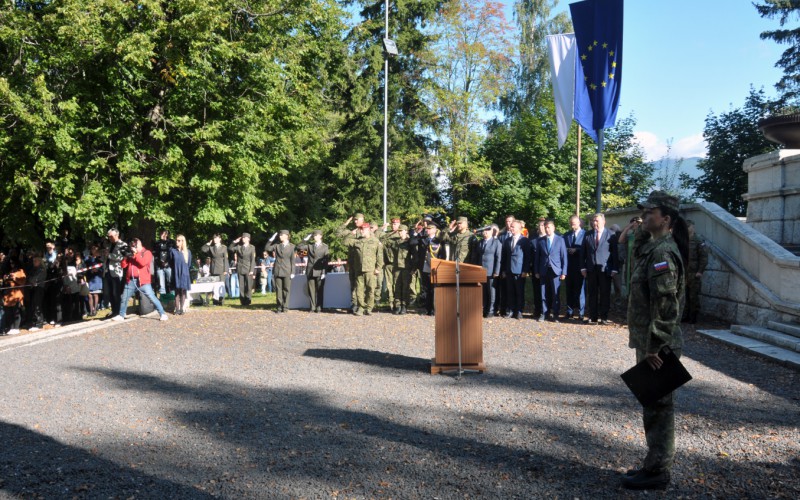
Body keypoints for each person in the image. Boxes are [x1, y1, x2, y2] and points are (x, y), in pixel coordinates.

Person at [621, 190, 688, 491]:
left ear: (666, 218)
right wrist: (641, 236)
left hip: (657, 345)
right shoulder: (653, 246)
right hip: (651, 341)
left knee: (659, 406)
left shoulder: (663, 254)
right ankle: (653, 462)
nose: (644, 216)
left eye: (651, 212)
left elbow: (666, 304)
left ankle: (658, 470)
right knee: (652, 403)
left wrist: (654, 345)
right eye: (644, 212)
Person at [112, 238, 168, 322]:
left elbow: (142, 263)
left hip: (143, 282)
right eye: (131, 245)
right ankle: (121, 315)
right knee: (124, 298)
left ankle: (162, 313)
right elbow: (123, 265)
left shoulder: (147, 253)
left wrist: (135, 254)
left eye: (134, 245)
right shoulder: (132, 254)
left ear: (139, 244)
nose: (132, 247)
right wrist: (125, 256)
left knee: (152, 297)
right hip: (130, 281)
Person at [581, 213, 619, 325]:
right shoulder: (587, 234)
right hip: (591, 268)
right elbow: (583, 252)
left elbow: (614, 253)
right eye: (593, 221)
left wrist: (615, 269)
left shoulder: (611, 234)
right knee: (592, 293)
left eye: (597, 220)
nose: (594, 223)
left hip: (605, 269)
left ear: (604, 222)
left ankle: (604, 317)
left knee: (605, 293)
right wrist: (582, 267)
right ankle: (592, 317)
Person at [343, 223, 382, 316]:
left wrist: (378, 268)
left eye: (363, 229)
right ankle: (361, 307)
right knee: (359, 290)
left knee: (370, 290)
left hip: (370, 270)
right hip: (359, 269)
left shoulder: (375, 241)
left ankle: (369, 308)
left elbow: (380, 256)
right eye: (360, 229)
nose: (361, 231)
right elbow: (344, 242)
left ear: (368, 230)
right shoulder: (357, 241)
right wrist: (351, 233)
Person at [533, 219, 568, 322]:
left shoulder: (560, 240)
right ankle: (544, 313)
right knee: (543, 293)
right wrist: (536, 271)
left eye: (549, 227)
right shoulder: (540, 241)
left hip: (555, 271)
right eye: (545, 227)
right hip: (543, 270)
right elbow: (537, 258)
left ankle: (556, 314)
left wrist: (564, 272)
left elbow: (564, 257)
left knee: (555, 293)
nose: (547, 229)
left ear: (553, 228)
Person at [411, 222, 445, 316]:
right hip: (424, 267)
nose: (427, 230)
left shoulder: (438, 241)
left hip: (434, 268)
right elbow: (412, 242)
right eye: (427, 229)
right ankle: (426, 308)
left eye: (429, 229)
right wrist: (416, 233)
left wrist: (440, 267)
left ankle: (434, 309)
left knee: (434, 289)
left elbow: (442, 255)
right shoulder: (422, 239)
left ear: (434, 230)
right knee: (425, 289)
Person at [500, 220, 530, 319]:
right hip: (509, 270)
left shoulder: (524, 241)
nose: (511, 228)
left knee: (519, 292)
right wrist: (504, 270)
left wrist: (525, 270)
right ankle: (511, 310)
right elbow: (504, 257)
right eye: (511, 226)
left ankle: (519, 311)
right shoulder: (507, 240)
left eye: (513, 227)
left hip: (519, 270)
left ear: (519, 228)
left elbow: (527, 257)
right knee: (510, 291)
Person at [384, 224, 414, 314]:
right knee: (397, 286)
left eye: (401, 231)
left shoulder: (410, 242)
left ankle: (404, 305)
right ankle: (397, 305)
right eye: (399, 231)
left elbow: (415, 255)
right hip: (397, 267)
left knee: (405, 287)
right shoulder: (395, 242)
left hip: (406, 267)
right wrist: (392, 232)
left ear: (406, 231)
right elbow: (383, 240)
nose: (399, 233)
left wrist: (413, 268)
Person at [337, 213, 365, 311]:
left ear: (362, 220)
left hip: (363, 263)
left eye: (357, 220)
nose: (355, 221)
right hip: (352, 262)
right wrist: (347, 222)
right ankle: (354, 303)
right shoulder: (352, 232)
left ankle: (362, 304)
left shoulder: (366, 231)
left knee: (361, 284)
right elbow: (338, 233)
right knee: (353, 283)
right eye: (354, 220)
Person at [297, 230, 330, 312]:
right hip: (310, 270)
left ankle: (319, 307)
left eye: (316, 235)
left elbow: (326, 260)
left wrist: (324, 272)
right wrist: (305, 239)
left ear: (320, 236)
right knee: (311, 290)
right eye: (314, 236)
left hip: (319, 271)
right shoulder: (310, 246)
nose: (314, 237)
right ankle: (312, 307)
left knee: (320, 290)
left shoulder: (325, 247)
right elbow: (299, 247)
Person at [474, 225, 502, 318]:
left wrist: (496, 271)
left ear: (491, 232)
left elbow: (498, 258)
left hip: (491, 271)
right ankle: (484, 309)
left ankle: (491, 310)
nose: (485, 233)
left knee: (491, 291)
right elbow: (478, 256)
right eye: (483, 232)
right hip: (481, 270)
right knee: (483, 291)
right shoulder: (480, 242)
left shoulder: (496, 242)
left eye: (487, 231)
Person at [265, 230, 296, 313]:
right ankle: (279, 306)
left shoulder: (292, 246)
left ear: (286, 236)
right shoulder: (277, 246)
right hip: (278, 270)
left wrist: (293, 272)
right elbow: (267, 248)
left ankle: (285, 307)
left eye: (281, 235)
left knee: (286, 289)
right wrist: (270, 240)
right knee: (278, 290)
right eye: (279, 235)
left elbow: (292, 260)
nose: (280, 237)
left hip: (287, 270)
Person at [683, 220, 708, 324]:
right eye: (686, 227)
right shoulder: (683, 240)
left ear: (693, 227)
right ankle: (685, 316)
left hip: (694, 273)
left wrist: (700, 271)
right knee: (684, 295)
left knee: (693, 296)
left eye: (689, 227)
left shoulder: (698, 240)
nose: (688, 229)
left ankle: (693, 317)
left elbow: (704, 257)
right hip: (684, 273)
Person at [564, 215, 587, 320]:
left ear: (579, 223)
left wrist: (576, 250)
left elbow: (586, 249)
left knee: (580, 290)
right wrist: (568, 249)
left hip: (580, 266)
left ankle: (581, 313)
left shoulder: (585, 234)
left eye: (574, 223)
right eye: (571, 223)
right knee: (569, 290)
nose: (572, 225)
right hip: (569, 266)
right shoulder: (567, 235)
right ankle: (570, 311)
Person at [379, 218, 403, 309]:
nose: (394, 226)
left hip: (398, 264)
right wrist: (382, 228)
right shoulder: (387, 235)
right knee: (389, 284)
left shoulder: (401, 234)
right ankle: (391, 302)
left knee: (397, 283)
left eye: (396, 224)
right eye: (393, 224)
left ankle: (398, 302)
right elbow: (378, 238)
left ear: (399, 224)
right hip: (388, 263)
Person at [618, 216, 643, 301]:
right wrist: (629, 227)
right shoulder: (630, 235)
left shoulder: (644, 234)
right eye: (634, 222)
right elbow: (620, 240)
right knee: (629, 286)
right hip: (630, 267)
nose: (636, 224)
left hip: (640, 267)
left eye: (638, 223)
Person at [104, 229, 127, 319]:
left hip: (117, 272)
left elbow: (122, 257)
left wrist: (109, 255)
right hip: (107, 271)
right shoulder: (109, 245)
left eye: (111, 236)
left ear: (117, 235)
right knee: (109, 293)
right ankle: (114, 310)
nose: (109, 238)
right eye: (109, 236)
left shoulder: (123, 245)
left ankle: (119, 311)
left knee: (116, 293)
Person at [200, 234, 229, 305]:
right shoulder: (211, 247)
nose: (215, 240)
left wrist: (226, 270)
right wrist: (208, 244)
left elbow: (225, 259)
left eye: (216, 238)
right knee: (214, 285)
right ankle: (215, 301)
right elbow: (203, 250)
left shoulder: (224, 247)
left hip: (221, 268)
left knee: (221, 285)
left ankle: (221, 301)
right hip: (213, 268)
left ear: (220, 239)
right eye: (214, 238)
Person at [229, 232, 257, 306]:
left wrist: (251, 270)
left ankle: (248, 300)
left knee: (248, 285)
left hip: (248, 269)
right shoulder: (239, 246)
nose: (243, 239)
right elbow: (230, 249)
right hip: (240, 268)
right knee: (241, 286)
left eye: (245, 238)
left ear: (248, 239)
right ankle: (242, 300)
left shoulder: (252, 247)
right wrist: (234, 242)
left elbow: (252, 260)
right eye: (243, 237)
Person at [496, 215, 515, 316]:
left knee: (513, 290)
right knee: (503, 289)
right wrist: (502, 269)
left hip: (515, 267)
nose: (508, 223)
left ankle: (512, 309)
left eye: (510, 222)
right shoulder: (501, 236)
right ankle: (503, 309)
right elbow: (501, 254)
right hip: (504, 266)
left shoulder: (520, 236)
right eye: (506, 221)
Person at [2, 257, 26, 335]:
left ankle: (16, 328)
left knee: (16, 312)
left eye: (13, 263)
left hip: (17, 295)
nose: (12, 264)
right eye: (11, 263)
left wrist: (15, 278)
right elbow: (6, 283)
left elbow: (23, 281)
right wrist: (5, 278)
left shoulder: (20, 271)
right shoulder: (10, 272)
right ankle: (11, 328)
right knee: (9, 313)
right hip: (9, 296)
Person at [170, 234, 193, 314]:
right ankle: (177, 309)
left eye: (179, 240)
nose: (177, 242)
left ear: (183, 241)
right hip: (176, 273)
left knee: (183, 291)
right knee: (176, 292)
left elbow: (189, 264)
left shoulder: (187, 252)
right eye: (176, 240)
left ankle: (182, 309)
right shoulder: (173, 251)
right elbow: (171, 262)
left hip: (184, 273)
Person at [153, 230, 175, 296]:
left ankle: (172, 298)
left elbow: (173, 254)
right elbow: (155, 254)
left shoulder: (171, 242)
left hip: (169, 265)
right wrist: (160, 262)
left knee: (170, 282)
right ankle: (163, 300)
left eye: (165, 234)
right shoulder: (157, 243)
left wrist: (167, 262)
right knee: (161, 284)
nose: (163, 235)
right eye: (162, 233)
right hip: (159, 266)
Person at [85, 244, 104, 317]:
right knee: (89, 295)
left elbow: (102, 268)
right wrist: (90, 271)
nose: (94, 251)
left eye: (96, 250)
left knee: (95, 294)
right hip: (90, 278)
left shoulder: (100, 259)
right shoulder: (88, 258)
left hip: (97, 278)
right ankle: (90, 310)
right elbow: (86, 267)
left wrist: (97, 270)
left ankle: (95, 309)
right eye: (93, 249)